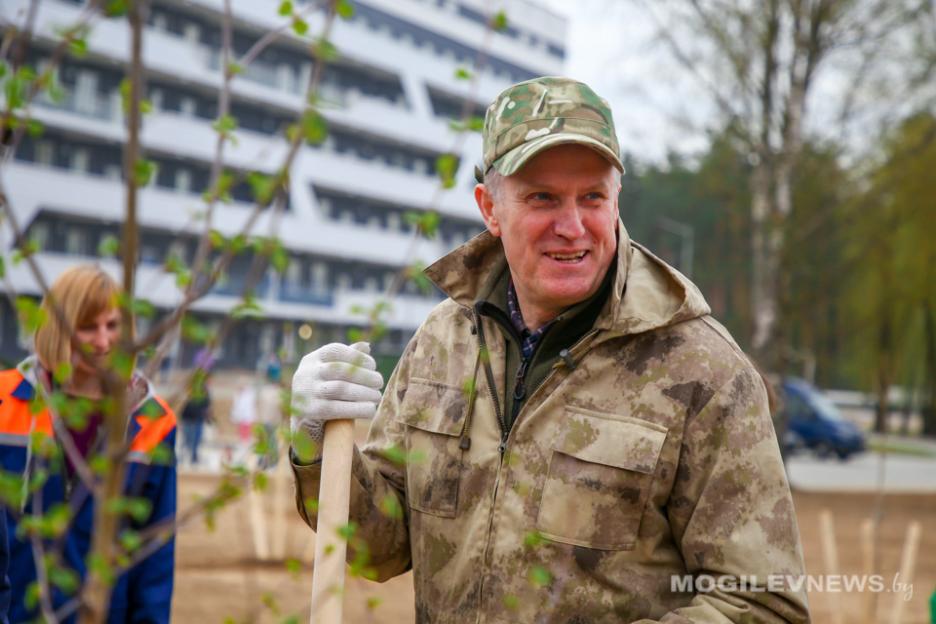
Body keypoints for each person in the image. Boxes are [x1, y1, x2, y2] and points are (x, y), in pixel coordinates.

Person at [290, 77, 810, 623]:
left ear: (616, 201)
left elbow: (762, 603)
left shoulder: (701, 370)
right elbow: (380, 545)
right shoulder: (441, 344)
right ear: (490, 208)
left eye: (593, 197)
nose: (572, 226)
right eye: (542, 197)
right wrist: (317, 447)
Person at [0, 265, 176, 623]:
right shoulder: (5, 402)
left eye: (112, 326)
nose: (102, 341)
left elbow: (154, 557)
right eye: (87, 327)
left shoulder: (153, 422)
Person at [180, 377, 212, 465]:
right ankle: (184, 457)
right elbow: (185, 408)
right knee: (188, 440)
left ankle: (192, 457)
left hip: (197, 420)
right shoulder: (193, 394)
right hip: (189, 419)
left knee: (195, 440)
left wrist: (209, 420)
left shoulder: (204, 395)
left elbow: (207, 409)